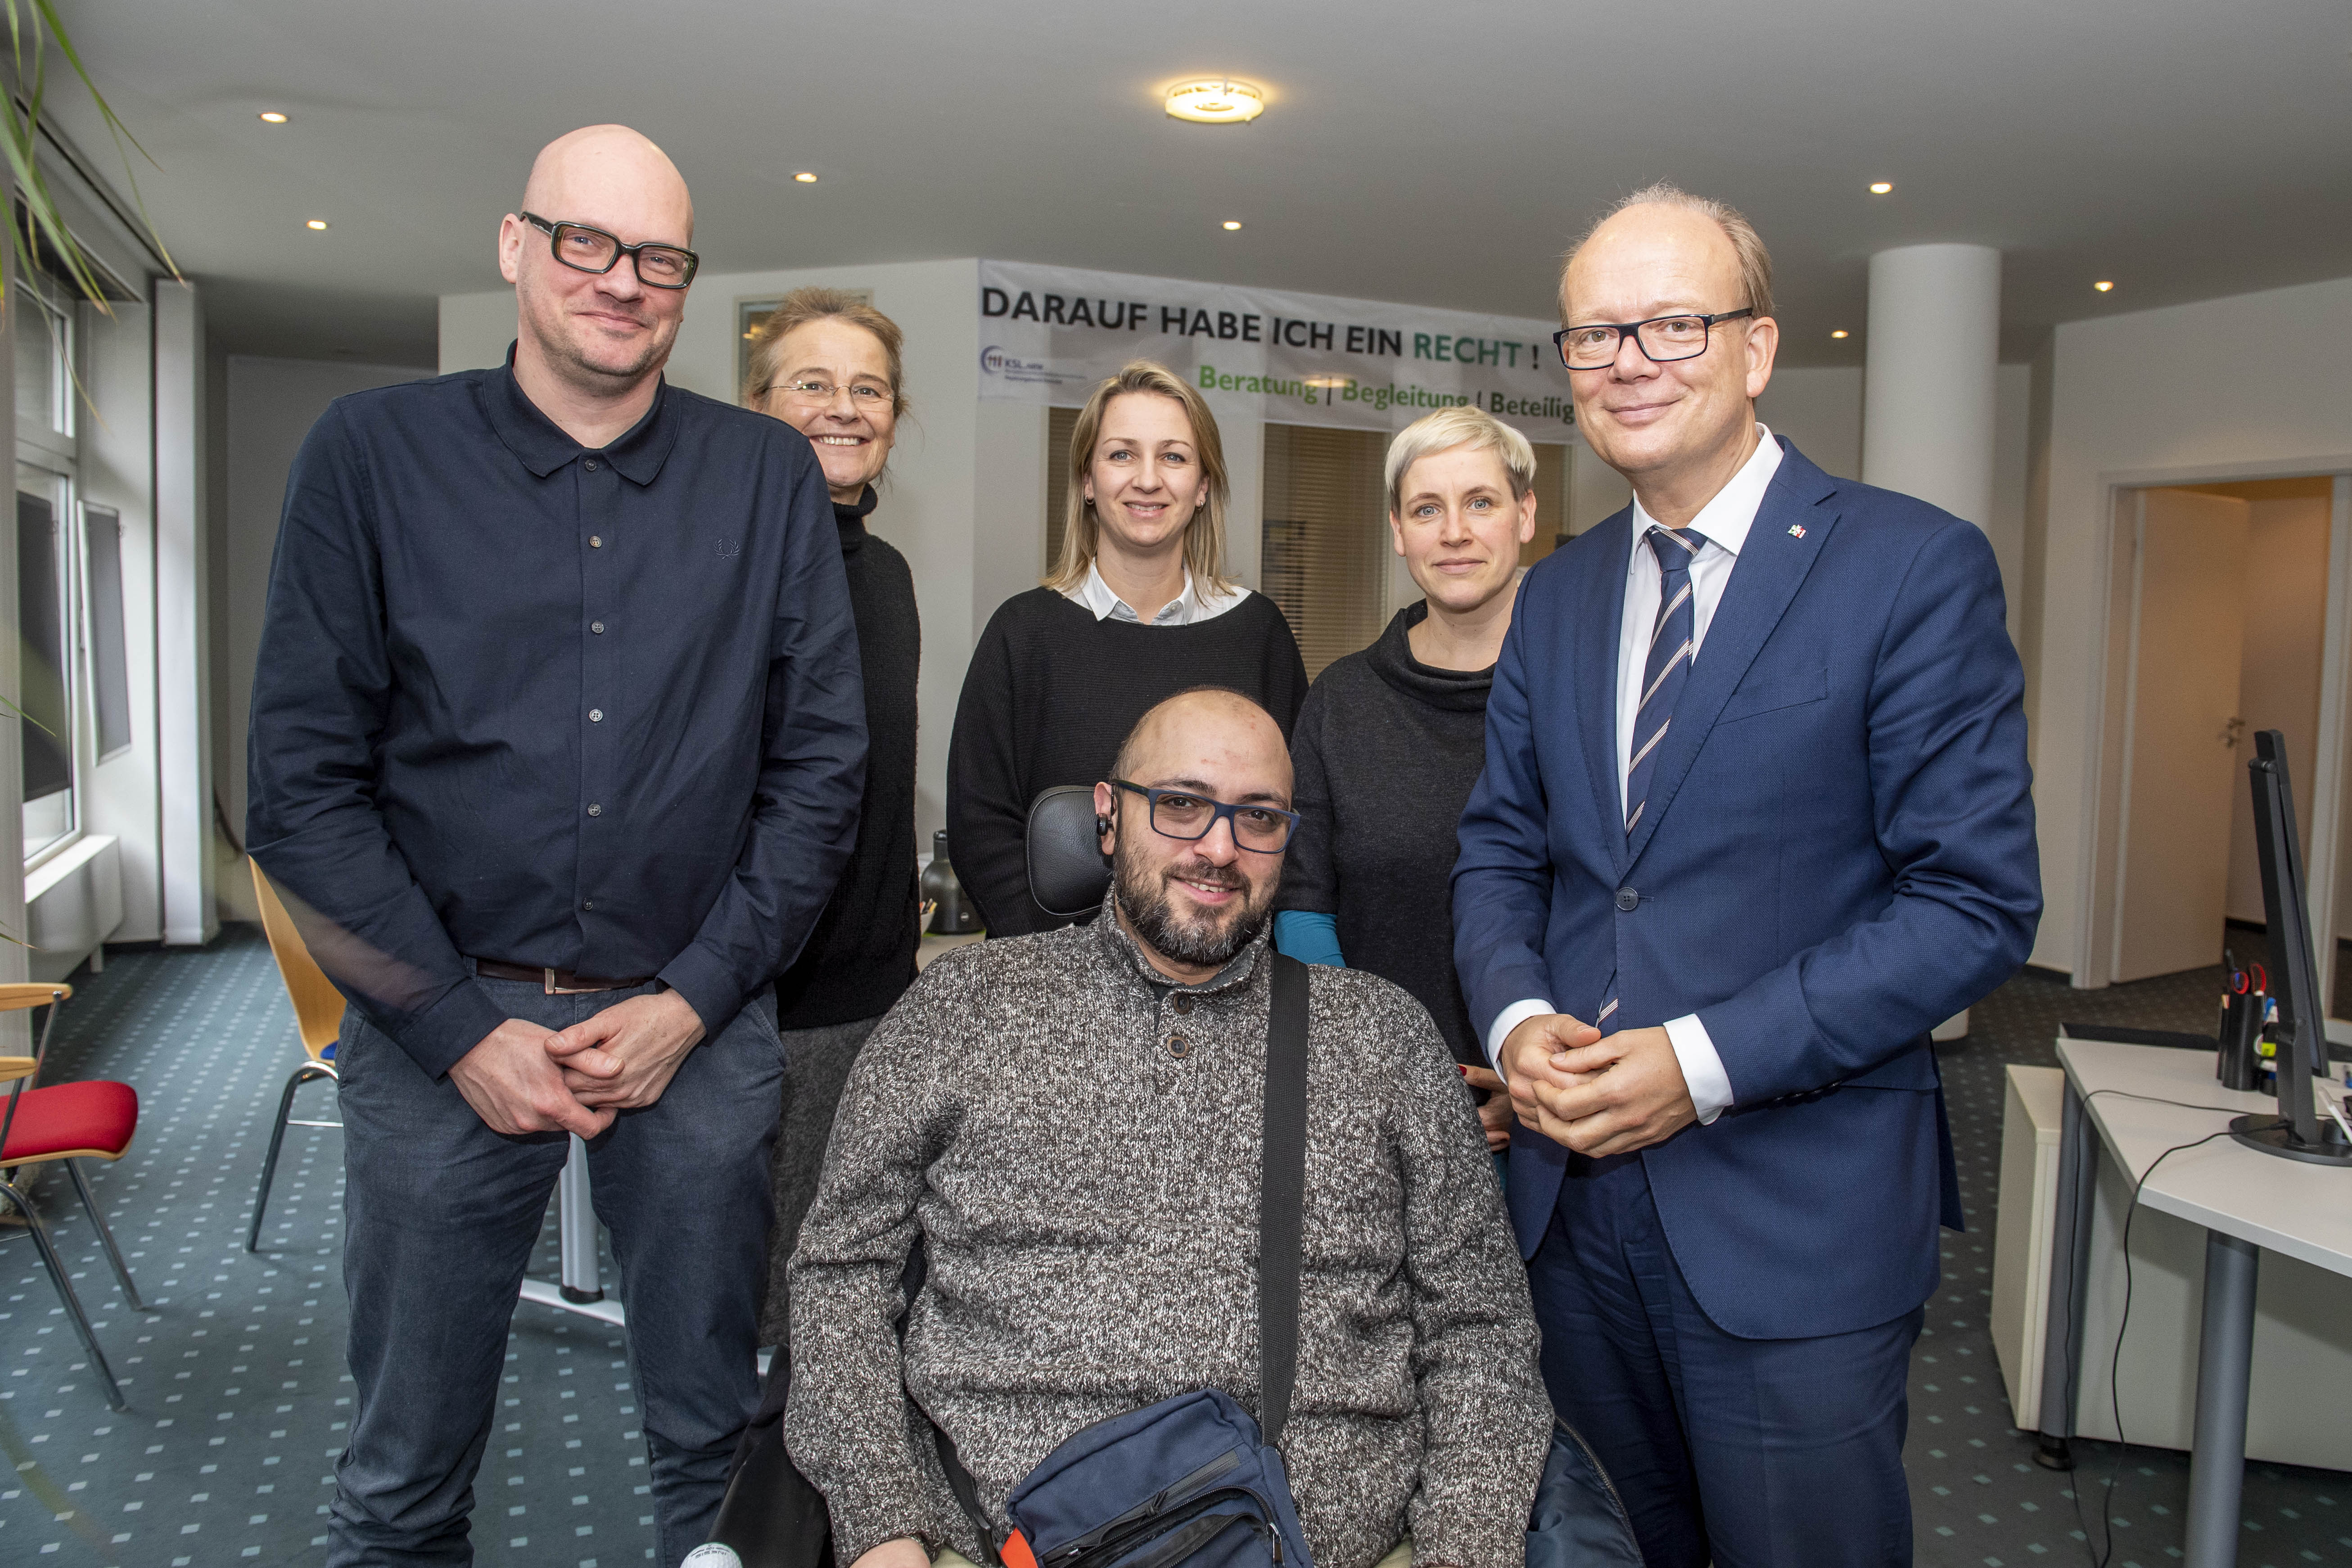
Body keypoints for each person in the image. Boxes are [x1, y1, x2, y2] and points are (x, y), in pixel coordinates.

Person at [245, 125, 867, 1567]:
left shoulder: (767, 475)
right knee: (402, 1477)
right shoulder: (370, 455)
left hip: (689, 1023)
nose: (622, 280)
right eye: (587, 241)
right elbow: (300, 788)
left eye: (660, 258)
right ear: (516, 247)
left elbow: (821, 774)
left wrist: (692, 1001)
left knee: (719, 1456)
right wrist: (460, 1030)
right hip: (441, 1022)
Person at [1452, 184, 2039, 1568]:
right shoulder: (1559, 594)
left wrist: (1701, 1061)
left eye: (1672, 324)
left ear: (1758, 348)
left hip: (1794, 1213)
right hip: (1570, 1215)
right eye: (1594, 336)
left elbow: (1972, 901)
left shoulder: (1908, 568)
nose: (1627, 363)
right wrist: (1516, 1020)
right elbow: (1503, 847)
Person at [789, 688, 1550, 1568]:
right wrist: (882, 1523)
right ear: (1108, 816)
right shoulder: (959, 1009)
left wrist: (1464, 1545)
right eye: (1181, 803)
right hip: (1004, 1543)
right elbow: (841, 1271)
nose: (1218, 848)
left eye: (1257, 816)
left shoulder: (1383, 1037)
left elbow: (1482, 1326)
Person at [946, 360, 1308, 937]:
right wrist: (1064, 967)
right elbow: (980, 826)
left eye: (1173, 457)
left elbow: (1286, 818)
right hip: (1048, 966)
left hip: (1222, 961)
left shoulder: (1258, 632)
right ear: (1088, 482)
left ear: (1203, 486)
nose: (1147, 479)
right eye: (1121, 454)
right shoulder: (1022, 632)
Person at [1273, 407, 1537, 1157]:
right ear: (1397, 529)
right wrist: (1383, 1076)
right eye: (1427, 508)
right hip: (1370, 1112)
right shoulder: (1341, 700)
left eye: (1480, 501)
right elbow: (1302, 907)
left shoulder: (1583, 692)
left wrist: (1533, 1078)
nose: (1454, 531)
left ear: (1524, 515)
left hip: (1552, 1115)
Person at [741, 288, 922, 1343]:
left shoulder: (887, 576)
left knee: (862, 1294)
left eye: (869, 388)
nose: (844, 407)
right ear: (758, 405)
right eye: (812, 383)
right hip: (758, 1001)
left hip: (876, 996)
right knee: (771, 1309)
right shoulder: (724, 568)